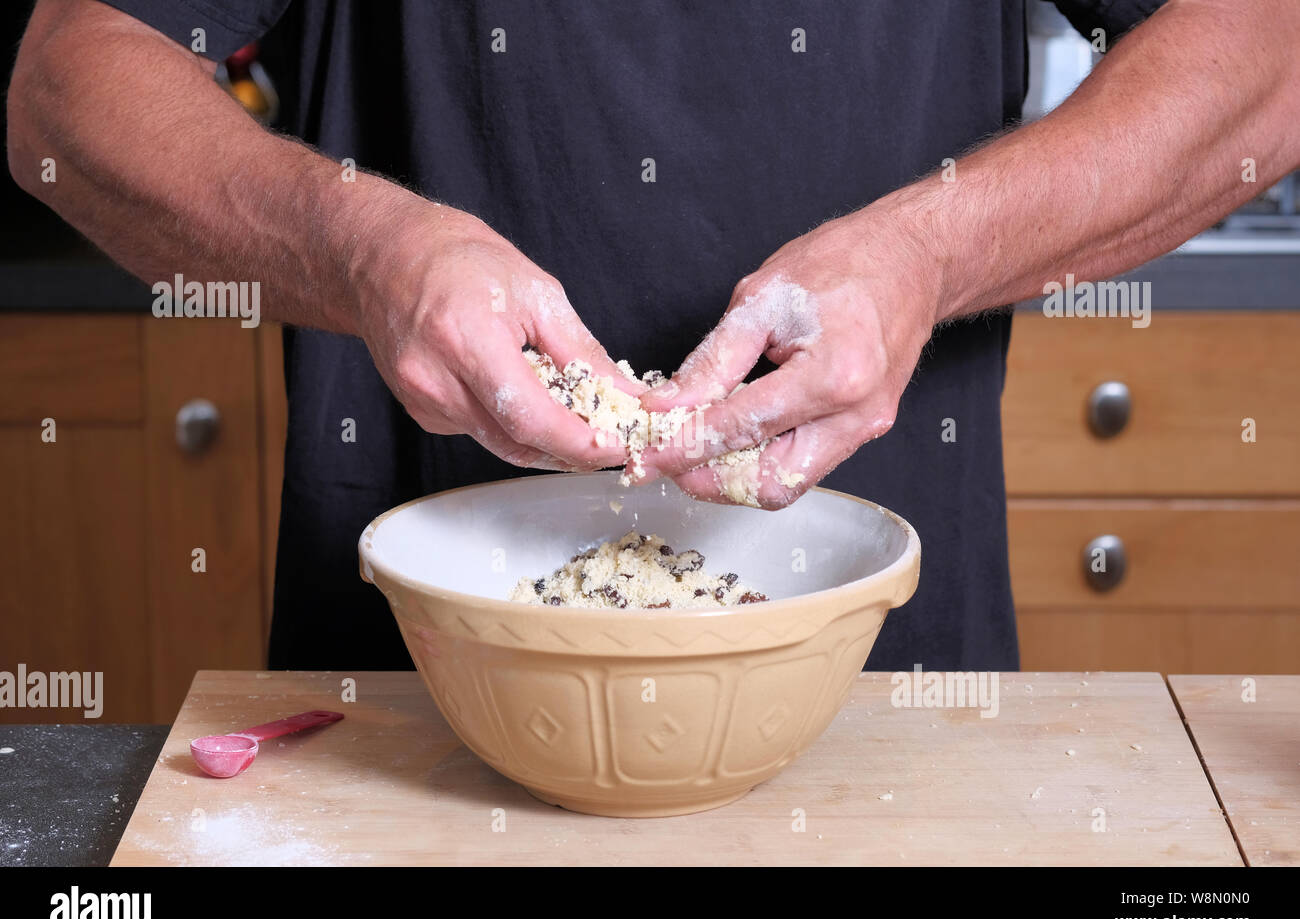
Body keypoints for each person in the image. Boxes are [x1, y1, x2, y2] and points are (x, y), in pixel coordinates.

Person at [8, 0, 1298, 671]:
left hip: (883, 691)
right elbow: (68, 81)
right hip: (422, 702)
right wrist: (365, 246)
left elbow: (1269, 54)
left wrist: (929, 252)